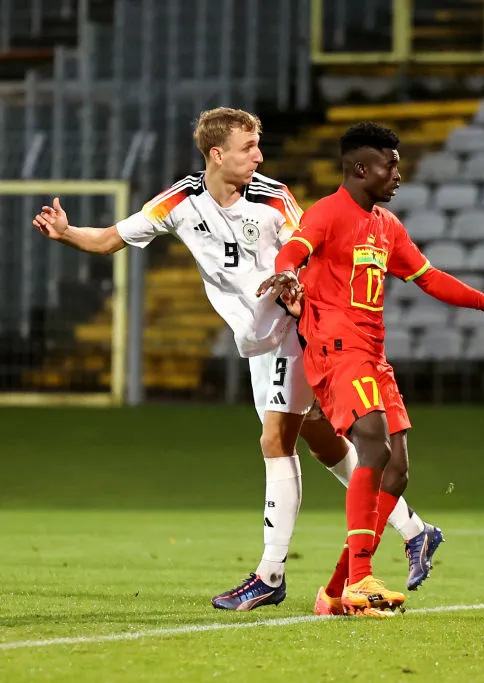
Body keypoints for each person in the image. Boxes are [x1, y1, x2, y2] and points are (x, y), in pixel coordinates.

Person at [31, 108, 443, 615]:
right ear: (217, 153)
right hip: (257, 342)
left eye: (259, 145)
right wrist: (69, 233)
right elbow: (113, 237)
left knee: (276, 439)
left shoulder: (274, 199)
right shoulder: (179, 200)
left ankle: (271, 574)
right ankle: (414, 530)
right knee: (322, 444)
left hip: (296, 331)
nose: (259, 155)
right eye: (249, 146)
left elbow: (308, 248)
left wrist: (297, 284)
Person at [258, 121, 484, 617]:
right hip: (336, 348)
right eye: (390, 164)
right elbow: (295, 249)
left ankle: (334, 593)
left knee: (398, 471)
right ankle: (362, 578)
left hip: (372, 355)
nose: (398, 174)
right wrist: (285, 271)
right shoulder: (328, 213)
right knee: (372, 440)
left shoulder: (386, 226)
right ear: (360, 168)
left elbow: (428, 277)